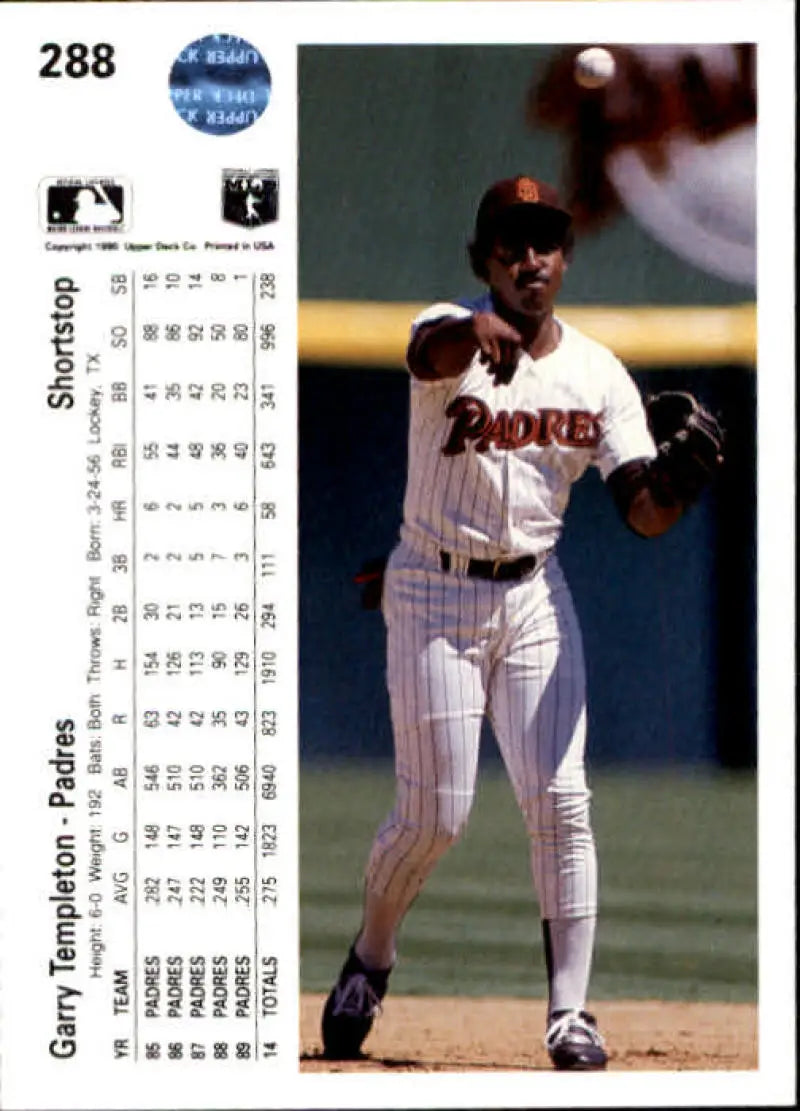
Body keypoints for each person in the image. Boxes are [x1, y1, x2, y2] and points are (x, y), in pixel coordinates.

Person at [320, 175, 723, 1070]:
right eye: (510, 241)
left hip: (534, 594)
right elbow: (427, 351)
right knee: (435, 816)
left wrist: (681, 483)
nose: (529, 256)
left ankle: (570, 1012)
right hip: (431, 588)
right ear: (483, 260)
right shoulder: (450, 332)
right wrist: (474, 330)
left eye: (545, 240)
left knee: (561, 800)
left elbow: (642, 512)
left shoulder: (597, 372)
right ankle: (373, 953)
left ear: (566, 258)